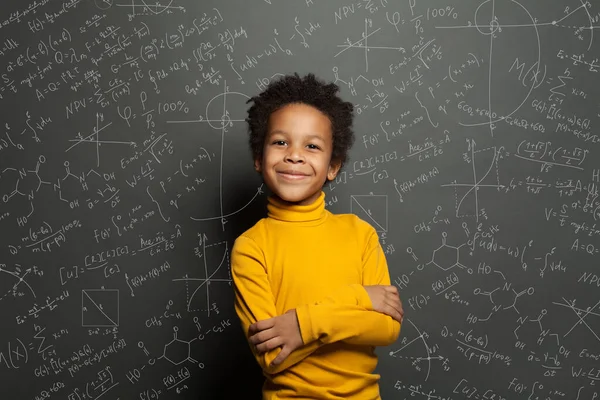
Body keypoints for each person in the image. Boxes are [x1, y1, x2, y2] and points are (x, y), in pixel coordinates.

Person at [231, 73, 404, 400]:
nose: (294, 155)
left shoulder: (360, 234)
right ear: (258, 157)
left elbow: (386, 327)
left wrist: (303, 325)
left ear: (333, 166)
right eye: (280, 142)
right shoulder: (251, 248)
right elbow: (273, 356)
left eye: (312, 146)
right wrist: (358, 300)